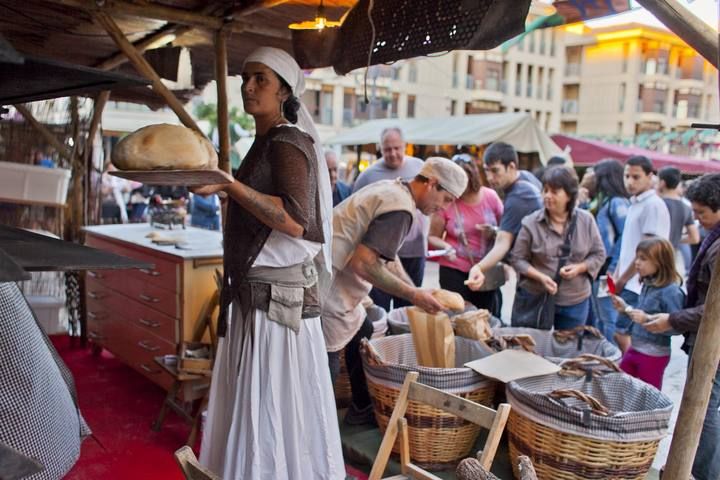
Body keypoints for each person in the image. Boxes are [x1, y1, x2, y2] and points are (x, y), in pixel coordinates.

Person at [194, 47, 343, 479]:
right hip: (257, 302)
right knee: (262, 412)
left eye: (260, 78)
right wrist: (227, 190)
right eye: (245, 78)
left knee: (275, 413)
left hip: (276, 313)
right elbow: (264, 212)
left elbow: (296, 220)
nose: (248, 86)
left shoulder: (287, 141)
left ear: (284, 90)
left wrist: (229, 185)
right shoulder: (266, 141)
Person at [323, 157, 467, 424]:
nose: (442, 208)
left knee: (363, 329)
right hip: (328, 283)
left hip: (330, 274)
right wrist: (413, 296)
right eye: (446, 199)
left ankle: (361, 408)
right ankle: (319, 427)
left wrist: (416, 290)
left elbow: (387, 256)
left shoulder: (395, 189)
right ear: (432, 184)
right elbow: (364, 263)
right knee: (326, 357)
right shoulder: (400, 208)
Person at [643, 173, 720, 480]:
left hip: (713, 346)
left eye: (702, 214)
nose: (698, 221)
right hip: (702, 339)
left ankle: (702, 473)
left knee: (706, 412)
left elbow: (713, 310)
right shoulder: (713, 241)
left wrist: (673, 319)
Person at [510, 166, 606, 329]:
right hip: (537, 297)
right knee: (534, 348)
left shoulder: (586, 220)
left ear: (569, 195)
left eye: (554, 191)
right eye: (545, 190)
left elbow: (598, 254)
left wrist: (580, 268)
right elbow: (517, 259)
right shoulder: (531, 223)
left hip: (575, 300)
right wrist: (541, 277)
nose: (547, 196)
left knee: (569, 348)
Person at [352, 127, 428, 309]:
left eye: (397, 148)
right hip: (380, 253)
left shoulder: (420, 167)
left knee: (410, 305)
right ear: (380, 149)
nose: (393, 154)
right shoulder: (368, 176)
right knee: (380, 305)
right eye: (387, 149)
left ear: (405, 146)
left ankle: (404, 336)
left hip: (414, 250)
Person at [429, 154, 504, 316]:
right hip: (454, 271)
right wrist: (446, 246)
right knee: (457, 318)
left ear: (472, 177)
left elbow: (506, 232)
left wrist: (493, 231)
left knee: (486, 318)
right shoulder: (448, 200)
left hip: (486, 270)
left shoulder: (490, 197)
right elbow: (432, 236)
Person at [466, 142, 542, 291]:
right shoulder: (526, 177)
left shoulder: (518, 196)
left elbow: (503, 242)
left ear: (512, 167)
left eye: (495, 171)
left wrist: (479, 268)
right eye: (487, 171)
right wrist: (495, 230)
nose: (489, 177)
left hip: (535, 273)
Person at [614, 155, 670, 352]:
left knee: (623, 333)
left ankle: (631, 376)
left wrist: (623, 278)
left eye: (636, 177)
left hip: (639, 283)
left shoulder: (652, 205)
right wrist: (618, 274)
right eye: (627, 176)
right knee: (621, 333)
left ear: (650, 176)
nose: (630, 181)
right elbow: (628, 245)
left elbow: (645, 251)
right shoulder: (636, 202)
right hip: (629, 280)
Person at [610, 238, 684, 389]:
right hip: (635, 348)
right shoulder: (647, 284)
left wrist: (647, 319)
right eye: (637, 257)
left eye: (643, 259)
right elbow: (641, 314)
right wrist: (625, 309)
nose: (637, 262)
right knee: (620, 387)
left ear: (660, 262)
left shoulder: (671, 292)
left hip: (653, 355)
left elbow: (678, 326)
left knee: (648, 398)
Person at [591, 159, 631, 341]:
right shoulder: (605, 201)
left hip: (608, 270)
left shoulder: (616, 203)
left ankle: (610, 355)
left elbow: (624, 236)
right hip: (601, 268)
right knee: (600, 314)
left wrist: (613, 268)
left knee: (608, 317)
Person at [657, 166, 700, 267]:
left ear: (662, 182)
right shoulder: (686, 207)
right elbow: (695, 238)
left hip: (655, 255)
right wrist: (676, 239)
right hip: (672, 255)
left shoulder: (657, 204)